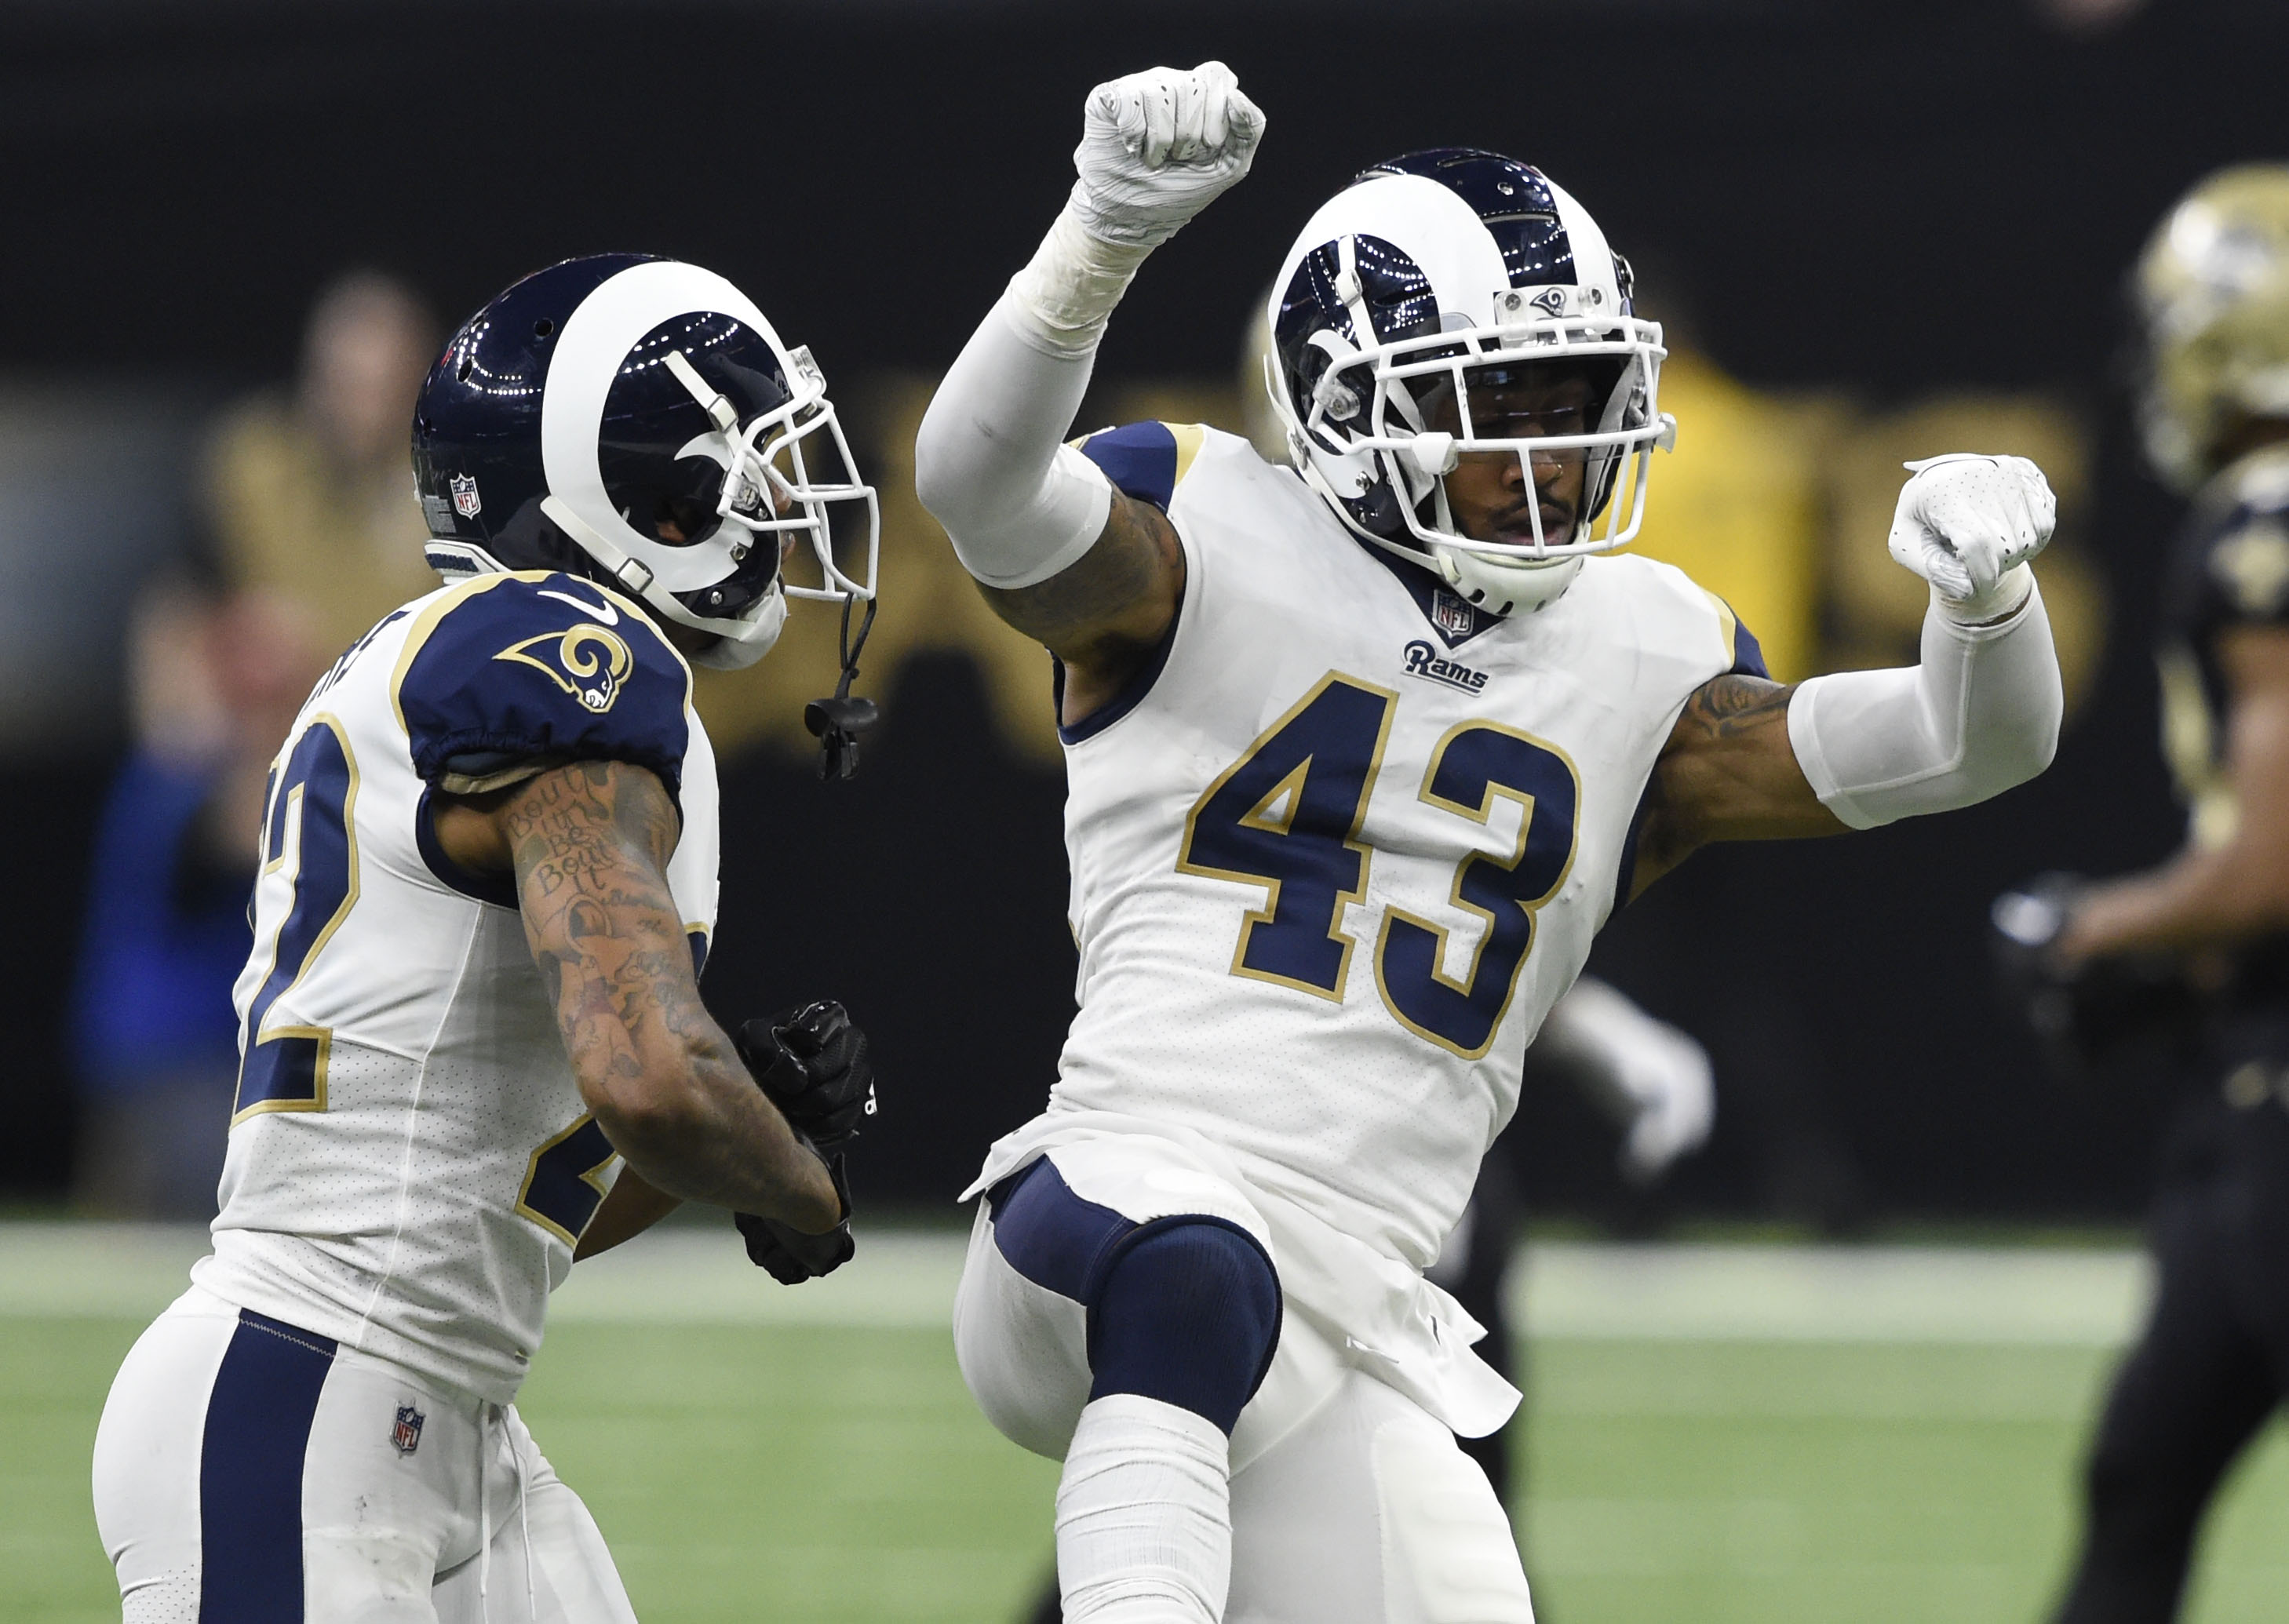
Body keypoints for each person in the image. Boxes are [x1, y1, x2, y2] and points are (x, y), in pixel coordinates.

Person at [915, 63, 2065, 1624]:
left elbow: (1964, 745)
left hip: (1359, 1324)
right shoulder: (1205, 534)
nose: (1549, 456)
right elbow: (977, 490)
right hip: (1107, 1218)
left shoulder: (1640, 652)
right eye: (1490, 408)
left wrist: (1985, 608)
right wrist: (1100, 235)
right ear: (1345, 407)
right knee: (1196, 1263)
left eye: (1573, 401)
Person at [91, 253, 882, 1619]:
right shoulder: (567, 655)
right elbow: (645, 1073)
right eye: (739, 469)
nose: (772, 507)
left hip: (426, 1420)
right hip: (309, 1401)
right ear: (632, 489)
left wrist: (734, 1130)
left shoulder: (475, 656)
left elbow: (522, 1208)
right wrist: (793, 1188)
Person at [1994, 164, 2289, 1624]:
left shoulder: (2261, 527)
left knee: (2140, 1493)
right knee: (2140, 1477)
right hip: (2249, 1091)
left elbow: (2273, 861)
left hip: (2278, 1110)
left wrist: (2088, 926)